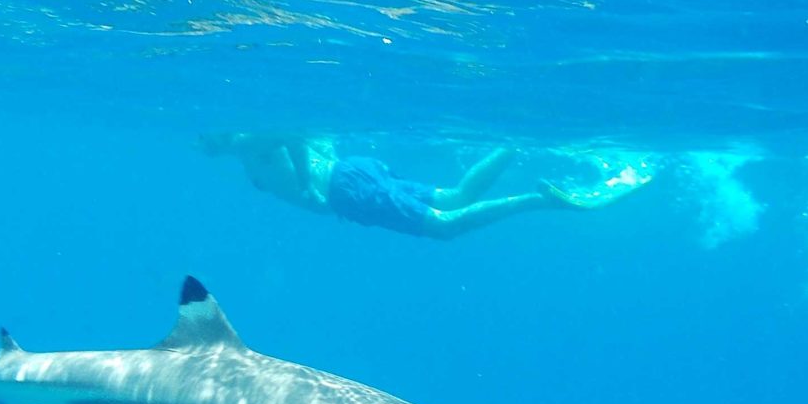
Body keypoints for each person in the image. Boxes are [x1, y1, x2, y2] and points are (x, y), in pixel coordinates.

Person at [199, 132, 650, 240]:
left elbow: (291, 135)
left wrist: (307, 185)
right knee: (455, 196)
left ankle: (540, 201)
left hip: (345, 190)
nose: (203, 145)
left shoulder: (246, 141)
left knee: (444, 226)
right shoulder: (242, 148)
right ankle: (514, 143)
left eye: (206, 138)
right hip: (353, 175)